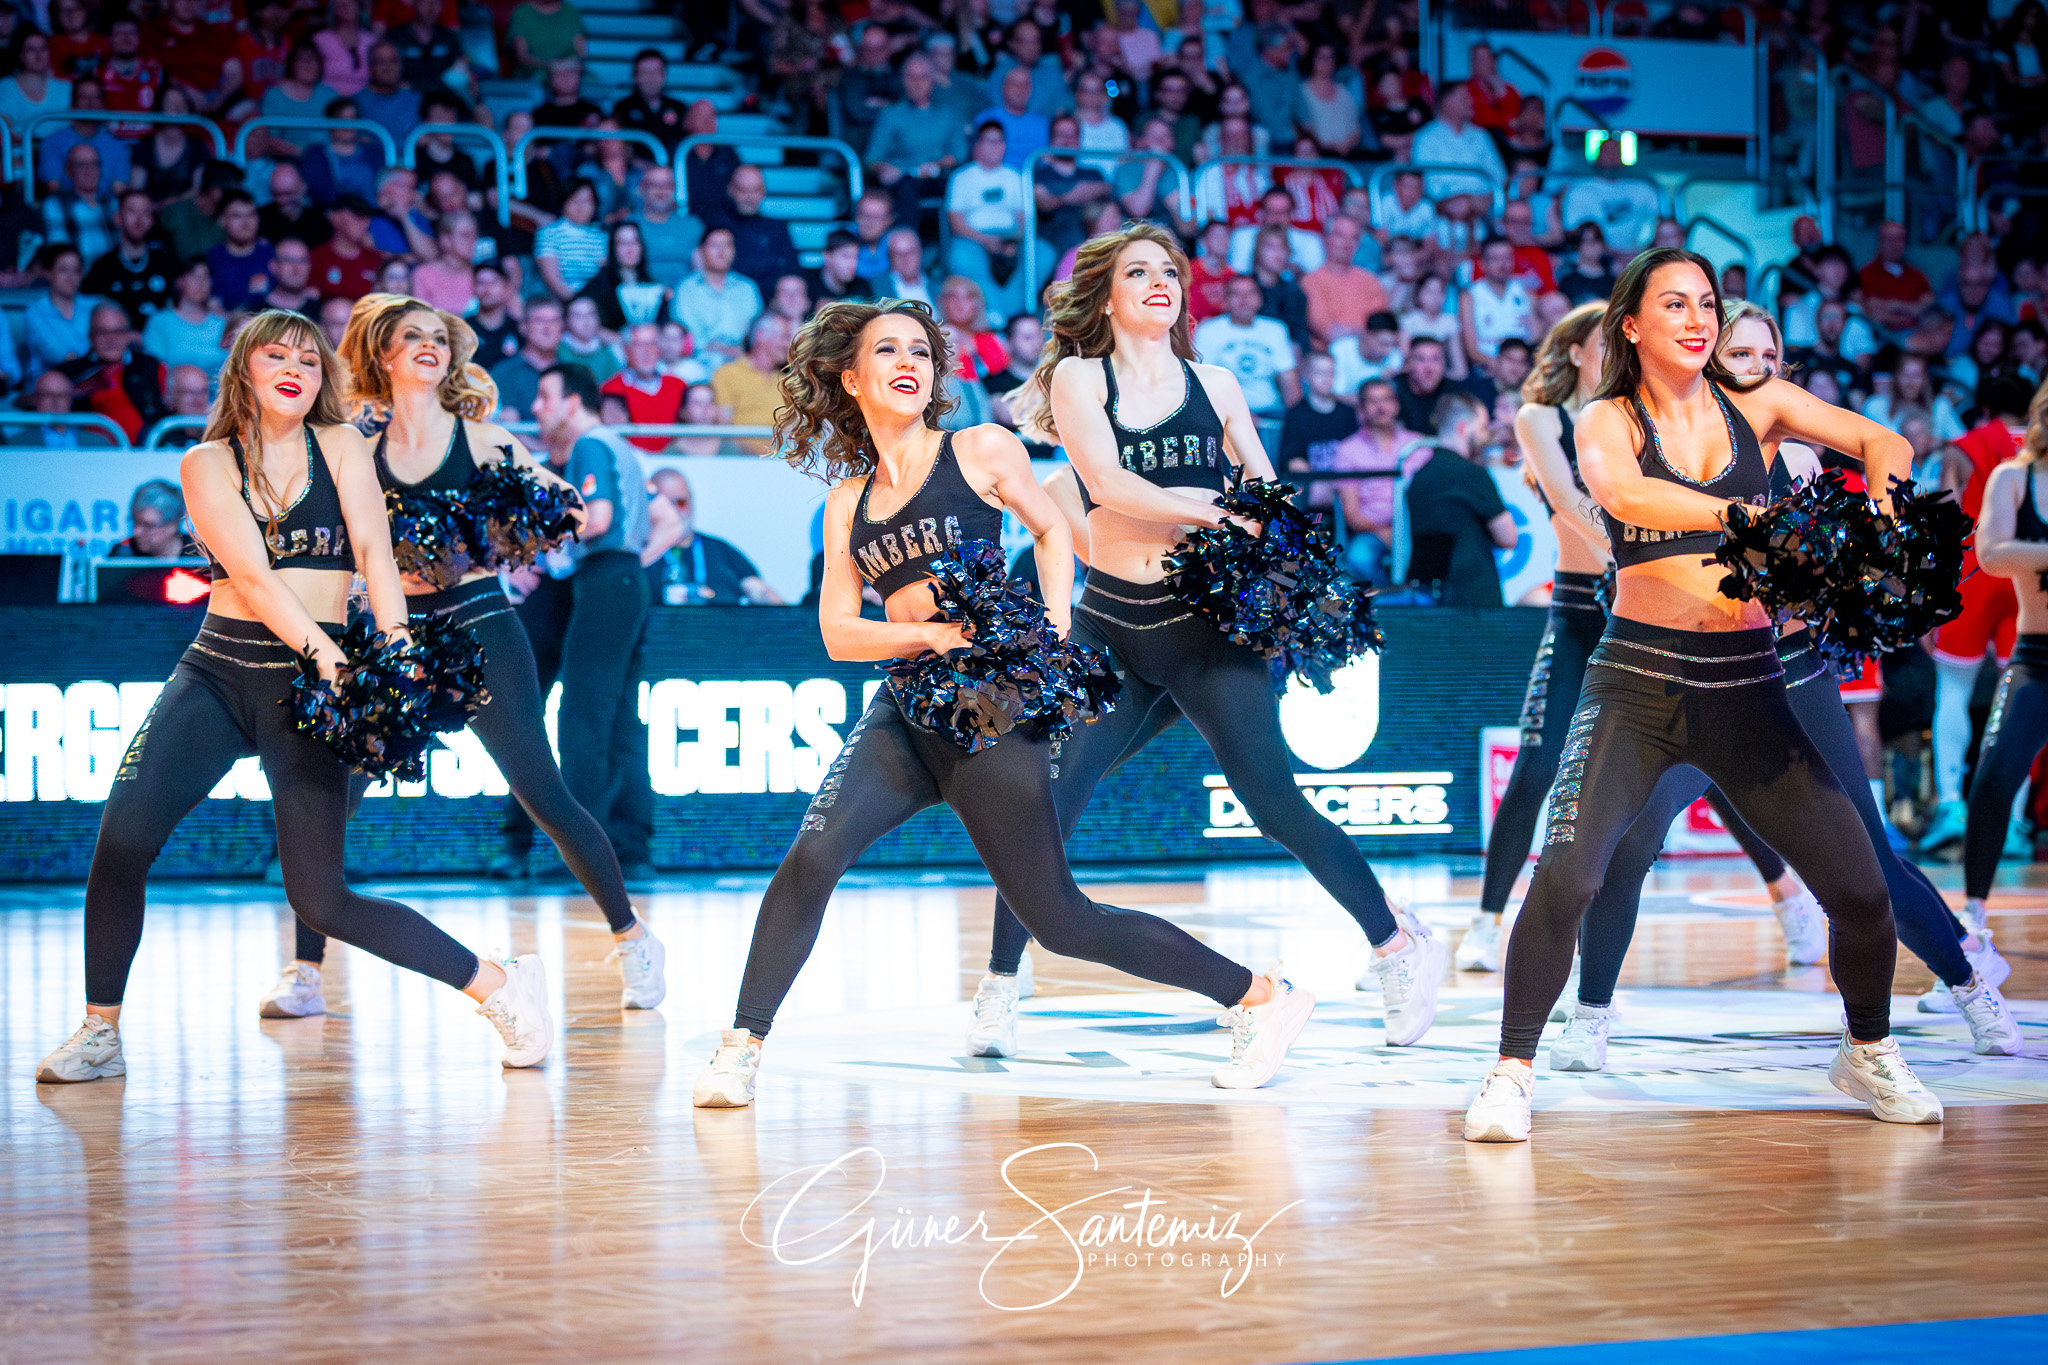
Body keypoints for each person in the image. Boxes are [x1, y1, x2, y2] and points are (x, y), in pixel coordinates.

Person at [690, 296, 1315, 1109]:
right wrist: (930, 636)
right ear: (851, 379)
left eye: (921, 351)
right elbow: (840, 633)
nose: (909, 363)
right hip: (906, 707)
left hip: (994, 704)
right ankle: (741, 1046)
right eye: (888, 351)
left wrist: (1052, 628)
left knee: (1060, 919)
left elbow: (1052, 530)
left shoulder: (980, 448)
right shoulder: (847, 502)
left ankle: (1260, 996)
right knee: (812, 857)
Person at [1462, 248, 1945, 1143]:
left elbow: (1887, 442)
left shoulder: (1760, 406)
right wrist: (1747, 517)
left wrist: (1883, 511)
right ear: (1631, 325)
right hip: (1635, 683)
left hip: (1749, 685)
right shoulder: (1606, 417)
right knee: (1569, 874)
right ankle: (1510, 1070)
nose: (1698, 320)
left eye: (1707, 305)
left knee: (1862, 891)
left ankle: (1868, 1048)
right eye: (1675, 304)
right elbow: (1622, 494)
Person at [34, 310, 556, 1086]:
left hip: (312, 688)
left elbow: (376, 553)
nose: (294, 369)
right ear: (244, 368)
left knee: (320, 899)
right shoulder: (207, 461)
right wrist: (327, 655)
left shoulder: (341, 445)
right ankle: (101, 1031)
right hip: (219, 672)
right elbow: (251, 575)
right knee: (123, 841)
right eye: (276, 354)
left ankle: (497, 983)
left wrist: (395, 646)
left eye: (310, 361)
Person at [969, 222, 1445, 1061]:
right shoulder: (1080, 378)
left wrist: (1277, 546)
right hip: (1114, 626)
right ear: (1105, 297)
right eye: (1138, 272)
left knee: (1274, 805)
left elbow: (1264, 483)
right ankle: (1002, 982)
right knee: (1046, 801)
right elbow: (1109, 483)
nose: (1160, 282)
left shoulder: (1216, 382)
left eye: (1169, 271)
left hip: (1206, 629)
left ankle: (1397, 944)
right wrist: (1215, 509)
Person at [1539, 304, 2019, 1063]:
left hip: (1788, 672)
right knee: (1629, 843)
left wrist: (1885, 527)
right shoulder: (1657, 435)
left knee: (1868, 856)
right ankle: (1590, 1010)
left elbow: (1877, 458)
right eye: (1741, 353)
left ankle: (1970, 984)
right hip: (1688, 673)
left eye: (1770, 355)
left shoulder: (1793, 454)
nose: (1757, 366)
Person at [259, 295, 662, 1016]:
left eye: (439, 338)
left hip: (480, 624)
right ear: (383, 355)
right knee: (331, 797)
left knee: (544, 792)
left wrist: (498, 530)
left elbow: (570, 508)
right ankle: (305, 971)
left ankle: (632, 936)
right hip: (394, 633)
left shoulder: (482, 440)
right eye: (411, 335)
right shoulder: (355, 444)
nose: (429, 345)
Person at [497, 363, 653, 879]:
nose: (536, 407)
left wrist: (536, 535)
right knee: (619, 719)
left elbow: (598, 519)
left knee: (582, 719)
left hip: (604, 578)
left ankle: (585, 854)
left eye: (545, 396)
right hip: (624, 580)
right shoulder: (614, 445)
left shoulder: (590, 444)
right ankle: (628, 849)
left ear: (572, 402)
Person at [1921, 376, 2035, 852]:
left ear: (1984, 407)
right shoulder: (2041, 448)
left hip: (1974, 572)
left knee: (1953, 691)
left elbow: (1943, 523)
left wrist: (1930, 593)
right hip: (2028, 577)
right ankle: (2012, 820)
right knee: (2024, 700)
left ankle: (1951, 804)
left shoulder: (1964, 447)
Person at [1959, 378, 2048, 941]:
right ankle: (1974, 917)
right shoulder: (2015, 477)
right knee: (1994, 780)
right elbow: (1991, 553)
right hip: (2038, 659)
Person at [1405, 390, 1515, 606]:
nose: (1485, 436)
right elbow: (1508, 537)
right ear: (1463, 428)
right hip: (1475, 594)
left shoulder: (1419, 477)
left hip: (1431, 597)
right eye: (1482, 428)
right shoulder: (1471, 474)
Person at [945, 120, 1045, 327]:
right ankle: (998, 314)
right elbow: (956, 223)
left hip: (1009, 235)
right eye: (988, 141)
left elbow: (1024, 221)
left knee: (1043, 253)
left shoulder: (1015, 176)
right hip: (972, 236)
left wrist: (1013, 240)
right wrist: (985, 240)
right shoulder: (961, 177)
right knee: (961, 256)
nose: (994, 146)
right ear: (977, 145)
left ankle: (1008, 312)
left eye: (999, 141)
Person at [645, 468, 785, 605]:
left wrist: (786, 615)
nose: (673, 511)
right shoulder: (640, 554)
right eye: (665, 505)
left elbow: (759, 591)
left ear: (691, 501)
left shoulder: (719, 550)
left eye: (681, 503)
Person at [1191, 274, 1297, 418]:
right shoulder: (1208, 330)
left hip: (1270, 411)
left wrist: (1296, 418)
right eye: (1236, 294)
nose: (1244, 299)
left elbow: (1288, 379)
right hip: (1223, 413)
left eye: (1250, 293)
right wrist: (1238, 416)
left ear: (1260, 299)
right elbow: (1202, 381)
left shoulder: (1276, 329)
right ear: (1225, 300)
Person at [60, 303, 168, 443]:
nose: (111, 339)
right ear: (90, 336)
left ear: (129, 335)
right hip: (88, 451)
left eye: (118, 332)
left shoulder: (151, 366)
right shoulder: (71, 373)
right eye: (102, 332)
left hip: (145, 450)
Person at [671, 226, 762, 371]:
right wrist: (718, 349)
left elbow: (757, 331)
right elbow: (683, 334)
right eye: (714, 245)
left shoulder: (747, 288)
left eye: (727, 245)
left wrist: (741, 350)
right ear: (701, 251)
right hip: (699, 360)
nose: (722, 252)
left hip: (742, 359)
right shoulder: (686, 288)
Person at [705, 165, 800, 300]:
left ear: (763, 192)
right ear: (730, 189)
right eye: (743, 190)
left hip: (771, 303)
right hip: (725, 301)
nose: (749, 197)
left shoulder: (777, 228)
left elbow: (793, 272)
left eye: (755, 190)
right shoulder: (715, 227)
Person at [83, 191, 175, 328]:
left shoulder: (166, 261)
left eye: (145, 213)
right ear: (118, 218)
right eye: (132, 212)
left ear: (152, 220)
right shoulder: (102, 268)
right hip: (118, 339)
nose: (139, 220)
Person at [711, 313, 792, 455]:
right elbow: (723, 430)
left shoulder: (787, 382)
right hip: (740, 460)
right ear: (761, 336)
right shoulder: (726, 374)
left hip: (782, 460)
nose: (788, 344)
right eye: (784, 337)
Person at [601, 322, 685, 450]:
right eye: (639, 345)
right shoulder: (611, 390)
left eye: (652, 344)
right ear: (626, 350)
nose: (647, 351)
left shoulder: (678, 386)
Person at [1279, 352, 1359, 479]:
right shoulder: (1296, 415)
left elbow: (1358, 453)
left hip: (1345, 482)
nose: (1326, 378)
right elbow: (1292, 460)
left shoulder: (1347, 413)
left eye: (1330, 372)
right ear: (1306, 375)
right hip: (1311, 483)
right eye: (1319, 372)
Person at [143, 260, 230, 375]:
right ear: (179, 281)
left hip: (220, 383)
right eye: (194, 276)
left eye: (206, 276)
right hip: (177, 384)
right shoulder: (160, 321)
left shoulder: (221, 321)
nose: (201, 283)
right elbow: (154, 365)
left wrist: (227, 318)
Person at [26, 244, 97, 376]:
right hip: (50, 382)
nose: (70, 277)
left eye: (76, 270)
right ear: (47, 273)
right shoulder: (35, 312)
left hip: (92, 380)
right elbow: (59, 355)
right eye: (63, 270)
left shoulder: (95, 306)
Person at [628, 165, 702, 290]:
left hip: (686, 294)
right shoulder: (629, 225)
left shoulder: (693, 225)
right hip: (641, 293)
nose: (661, 190)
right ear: (642, 188)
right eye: (654, 185)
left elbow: (703, 271)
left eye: (667, 185)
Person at [489, 299, 563, 422]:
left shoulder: (573, 373)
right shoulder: (502, 373)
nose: (547, 328)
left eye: (554, 321)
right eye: (539, 321)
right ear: (523, 327)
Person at [206, 193, 276, 314]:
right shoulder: (212, 259)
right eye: (237, 216)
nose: (245, 223)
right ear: (222, 221)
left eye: (251, 215)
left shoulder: (272, 255)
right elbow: (210, 303)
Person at [611, 48, 688, 150]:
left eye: (656, 72)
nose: (651, 78)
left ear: (664, 75)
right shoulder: (622, 108)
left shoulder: (679, 108)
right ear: (634, 77)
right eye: (645, 72)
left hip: (672, 160)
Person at [109, 480, 192, 558]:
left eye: (147, 525)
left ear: (172, 526)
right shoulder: (122, 552)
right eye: (134, 522)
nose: (136, 531)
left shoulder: (197, 554)